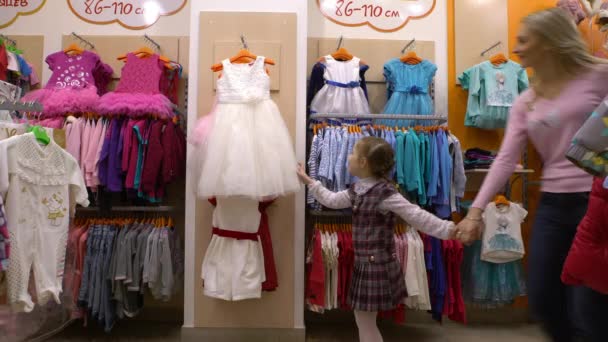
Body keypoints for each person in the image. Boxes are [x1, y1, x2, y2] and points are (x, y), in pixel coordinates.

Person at [455, 8, 608, 342]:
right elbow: (506, 159)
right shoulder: (526, 100)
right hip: (553, 205)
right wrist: (476, 212)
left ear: (550, 42)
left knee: (589, 305)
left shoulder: (599, 75)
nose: (516, 48)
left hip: (598, 205)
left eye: (524, 40)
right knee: (544, 298)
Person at [297, 136, 465, 342]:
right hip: (365, 265)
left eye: (352, 153)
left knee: (365, 321)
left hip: (376, 266)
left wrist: (448, 229)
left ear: (363, 163)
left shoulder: (386, 193)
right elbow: (331, 200)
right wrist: (309, 181)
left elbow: (416, 215)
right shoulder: (356, 190)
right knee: (364, 321)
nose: (348, 157)